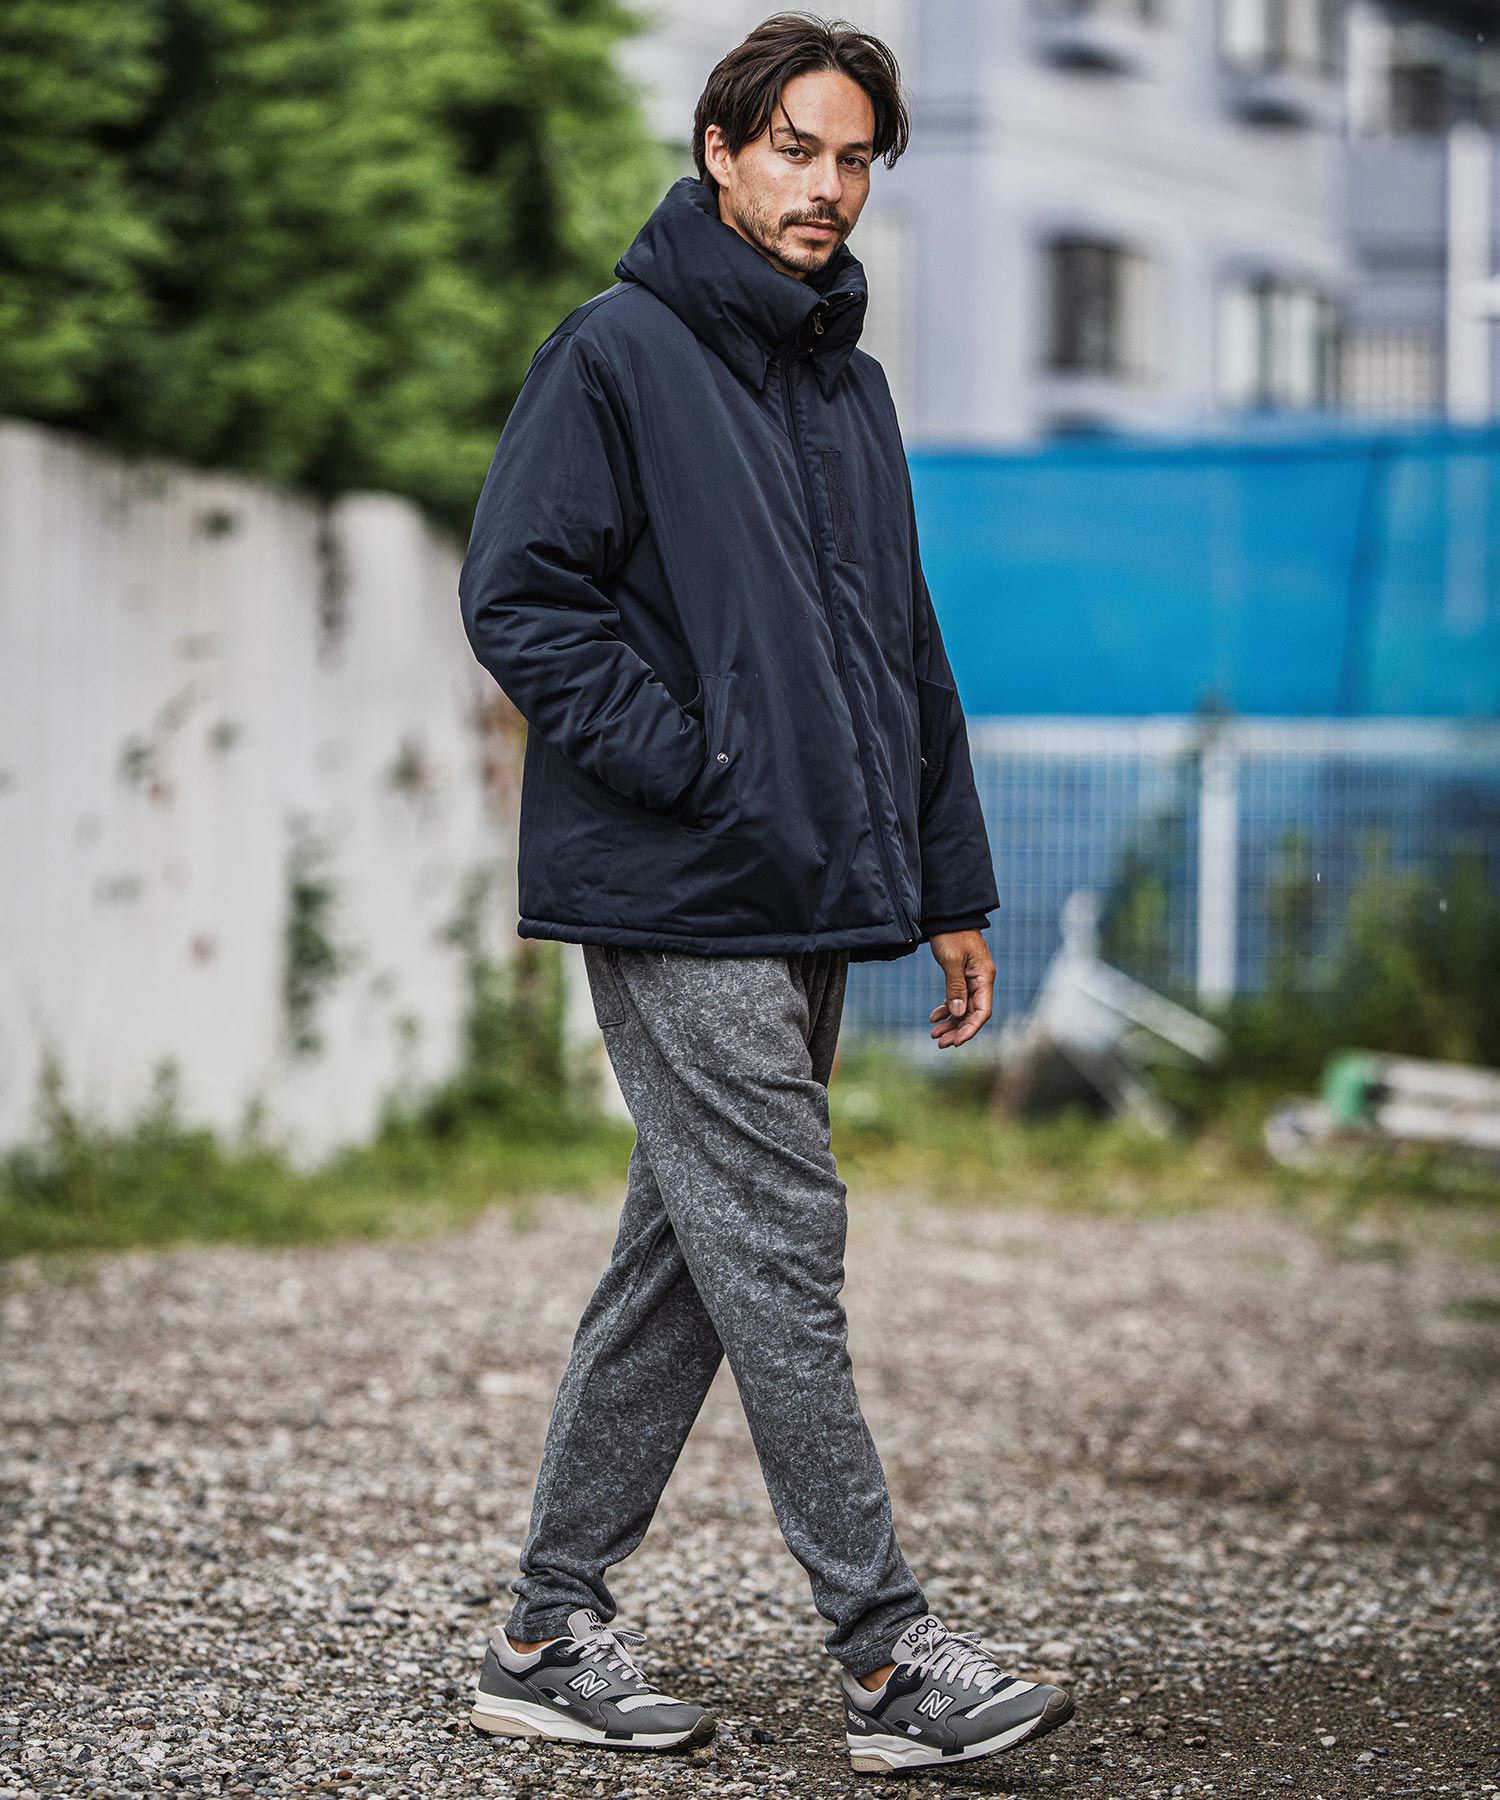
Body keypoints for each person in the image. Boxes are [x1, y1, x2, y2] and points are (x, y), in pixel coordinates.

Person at [456, 11, 1075, 1776]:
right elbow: (521, 595)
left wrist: (950, 881)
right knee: (783, 1237)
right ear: (722, 150)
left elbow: (904, 654)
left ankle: (545, 1631)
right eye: (796, 148)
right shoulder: (618, 354)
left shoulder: (844, 388)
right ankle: (885, 1658)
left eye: (855, 157)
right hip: (682, 883)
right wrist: (694, 761)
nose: (828, 185)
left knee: (688, 1259)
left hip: (800, 883)